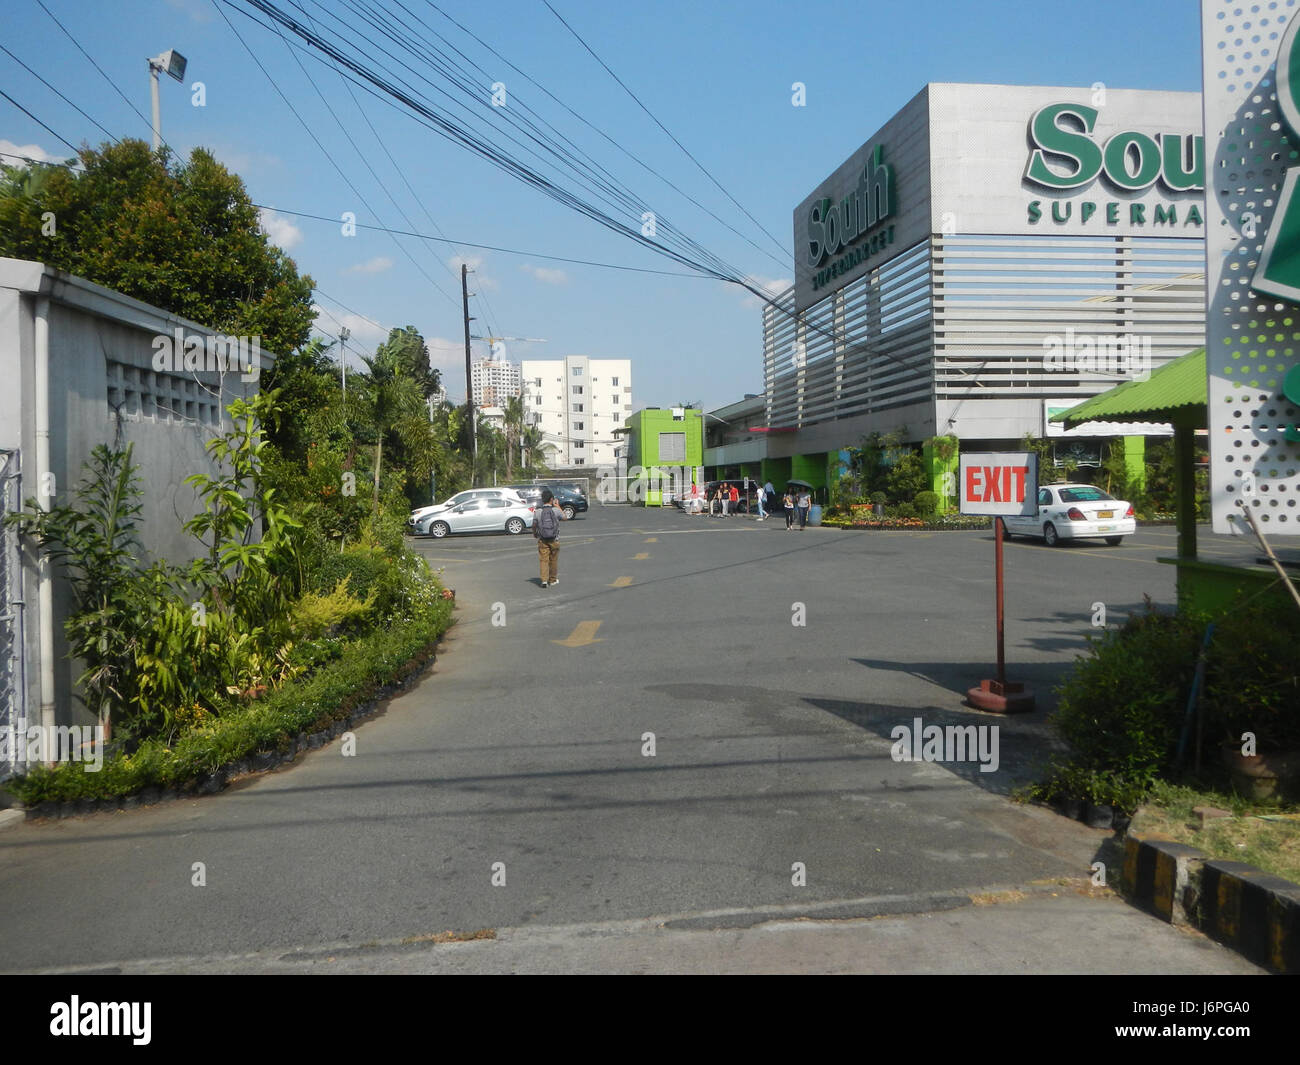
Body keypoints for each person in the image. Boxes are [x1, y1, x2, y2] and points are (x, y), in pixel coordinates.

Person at [532, 487, 565, 586]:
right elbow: (565, 517)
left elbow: (534, 525)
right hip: (554, 539)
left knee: (543, 560)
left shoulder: (538, 512)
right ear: (551, 499)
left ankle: (544, 580)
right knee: (553, 560)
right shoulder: (556, 511)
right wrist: (558, 505)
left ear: (542, 500)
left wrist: (535, 533)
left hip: (542, 539)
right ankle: (553, 580)